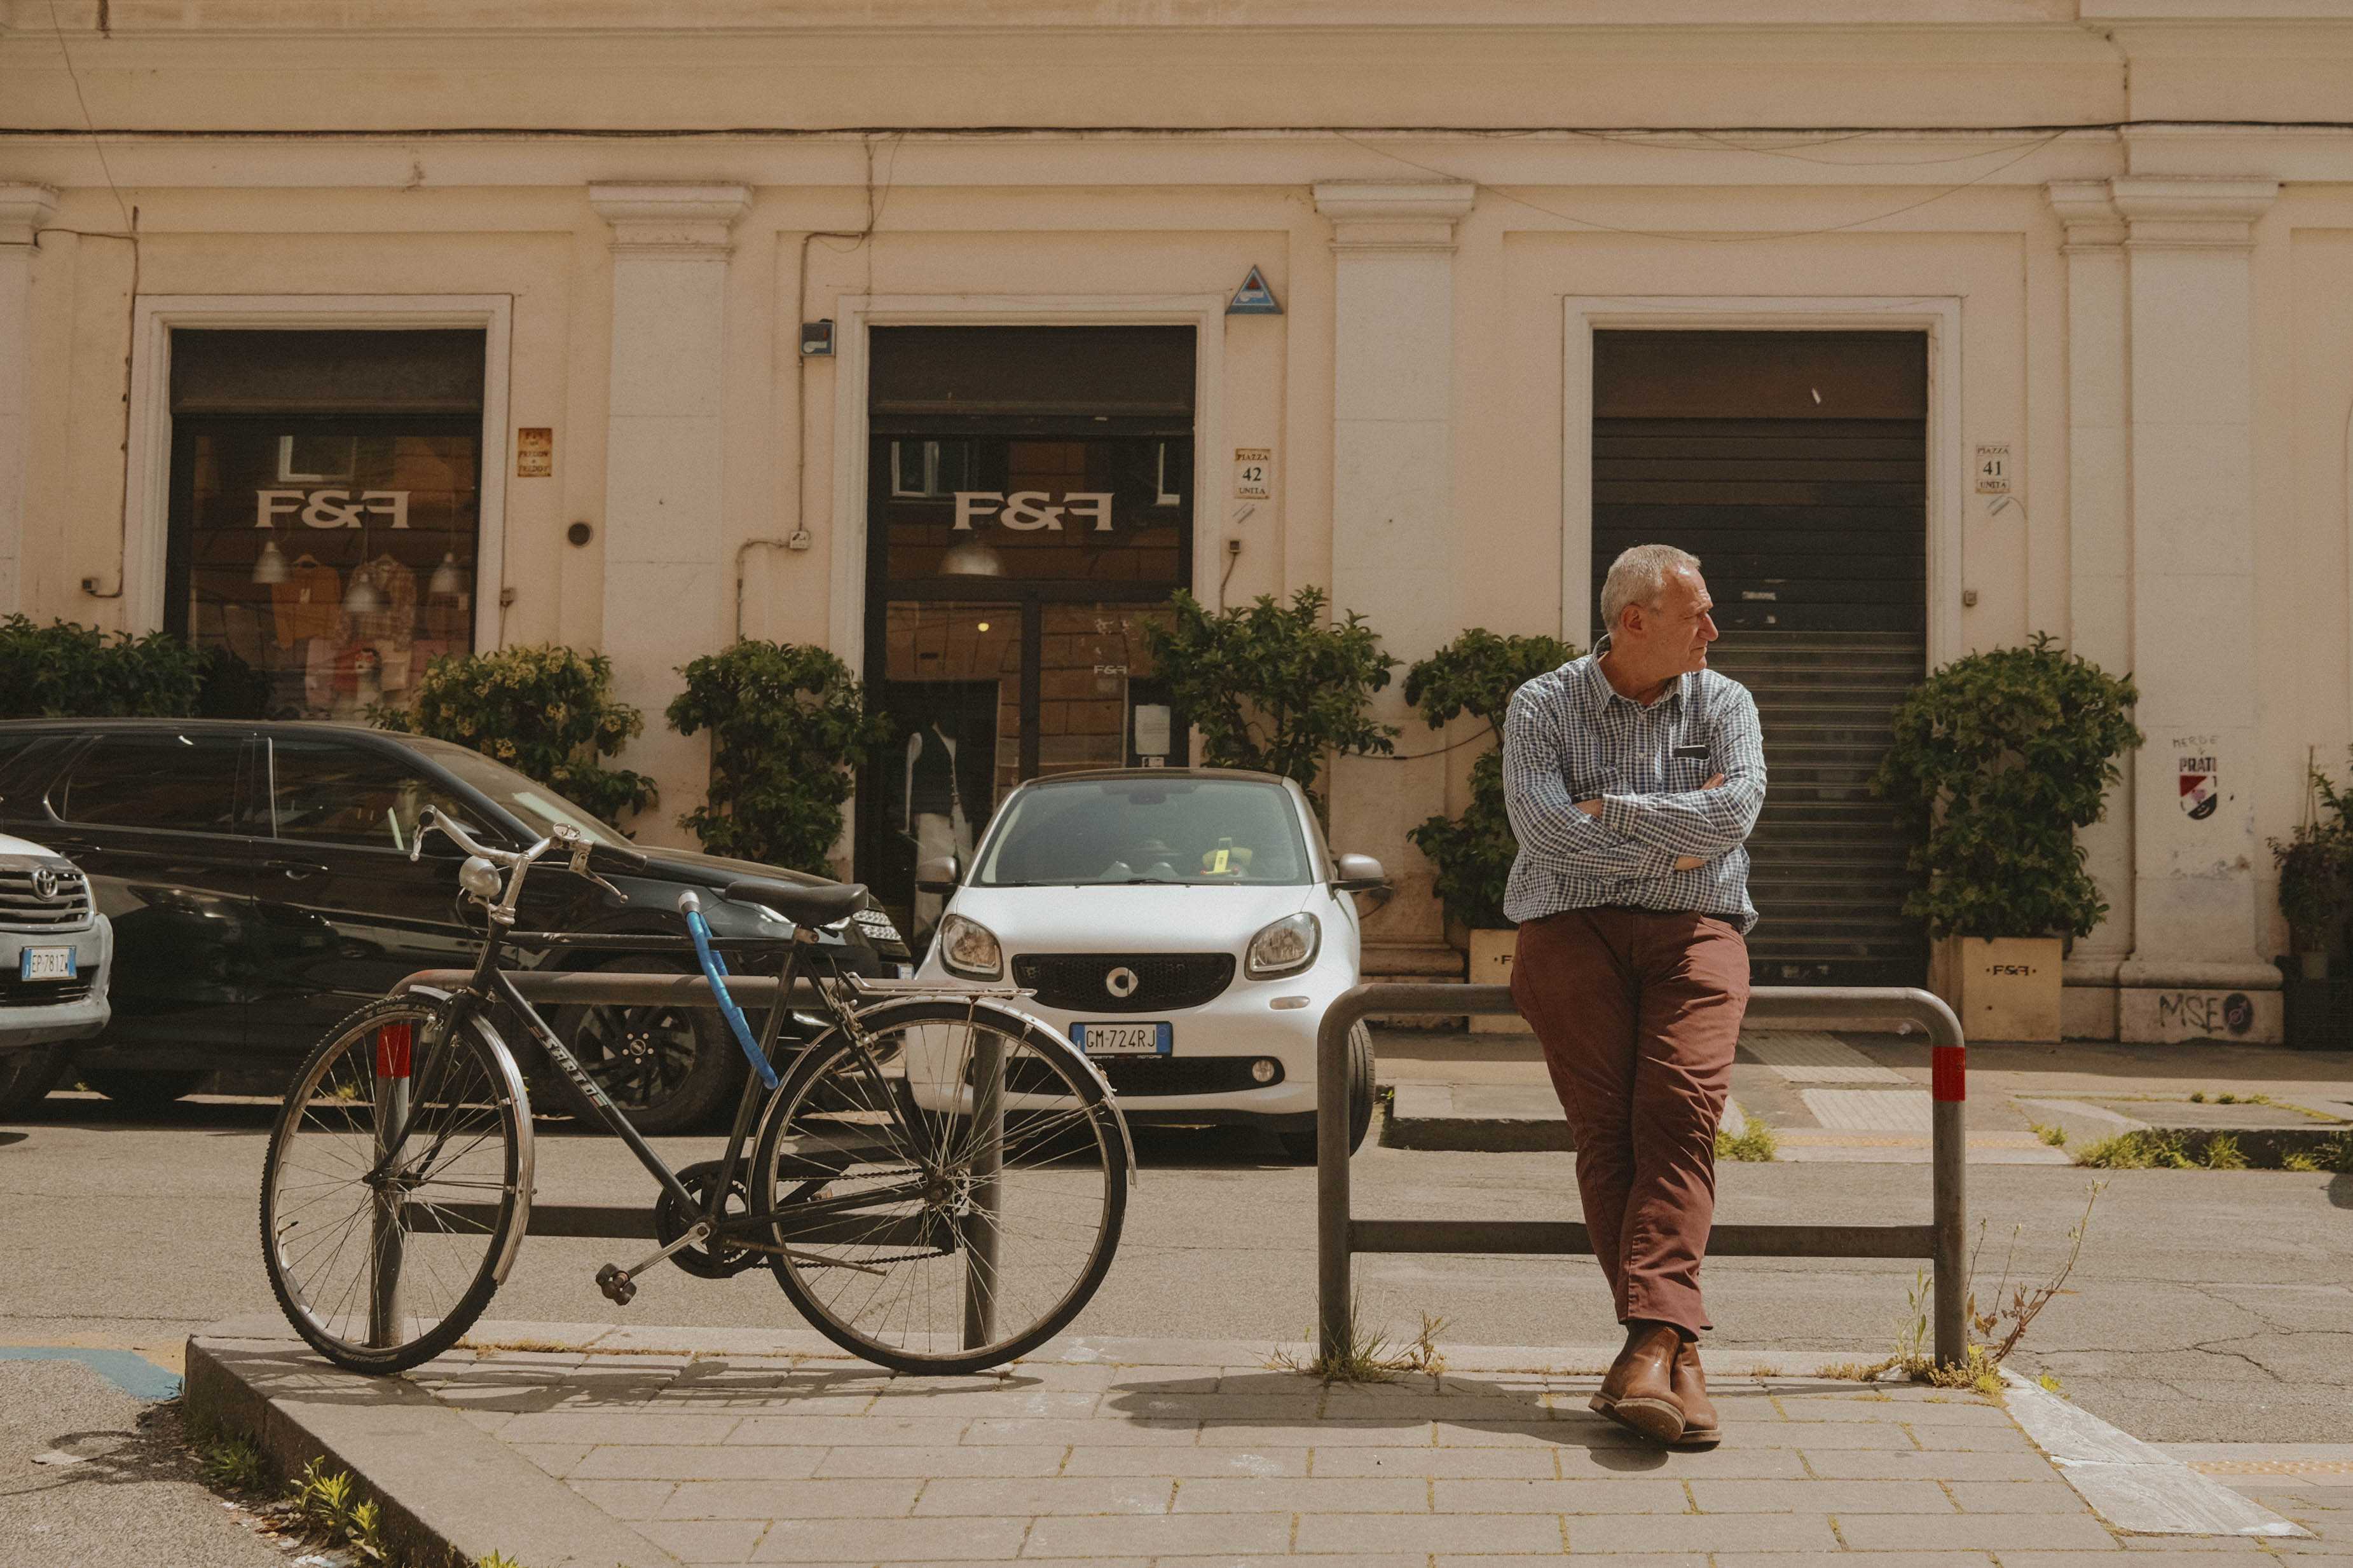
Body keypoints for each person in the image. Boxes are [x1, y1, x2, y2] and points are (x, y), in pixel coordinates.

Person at [1500, 543, 1766, 1449]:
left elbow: (1733, 818)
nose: (1712, 630)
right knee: (1607, 1131)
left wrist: (1604, 812)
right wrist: (1673, 832)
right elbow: (1541, 834)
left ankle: (1648, 1345)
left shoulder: (1725, 700)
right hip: (1567, 934)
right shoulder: (1542, 703)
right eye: (1696, 615)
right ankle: (1670, 1358)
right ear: (1633, 622)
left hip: (1697, 931)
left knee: (1681, 1109)